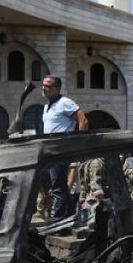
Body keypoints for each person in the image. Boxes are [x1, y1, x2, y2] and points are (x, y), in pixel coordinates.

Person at [41, 74, 88, 219]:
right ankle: (68, 217)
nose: (43, 88)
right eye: (43, 85)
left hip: (60, 149)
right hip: (51, 150)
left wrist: (80, 143)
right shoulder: (47, 106)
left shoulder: (65, 102)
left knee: (58, 187)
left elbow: (83, 120)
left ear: (56, 89)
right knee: (61, 184)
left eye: (47, 86)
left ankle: (58, 219)